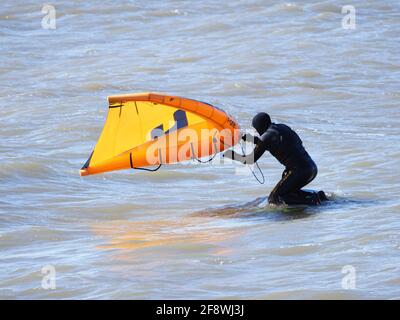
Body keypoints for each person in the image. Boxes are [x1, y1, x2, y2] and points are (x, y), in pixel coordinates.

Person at [223, 112, 327, 205]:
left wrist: (231, 155)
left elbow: (250, 160)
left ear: (260, 126)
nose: (257, 131)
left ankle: (312, 201)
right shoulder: (281, 127)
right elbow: (266, 143)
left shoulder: (267, 137)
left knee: (274, 198)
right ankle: (319, 196)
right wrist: (246, 138)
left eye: (256, 128)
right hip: (311, 168)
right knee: (289, 192)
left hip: (298, 172)